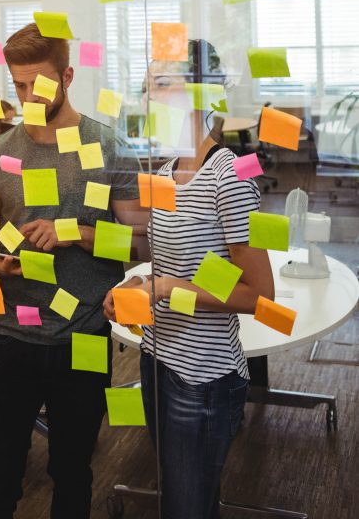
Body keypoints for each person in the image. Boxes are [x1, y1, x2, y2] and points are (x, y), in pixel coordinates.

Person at [0, 22, 139, 519]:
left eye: (38, 84)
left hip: (83, 333)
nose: (28, 97)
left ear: (67, 76)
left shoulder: (109, 147)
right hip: (8, 336)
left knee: (73, 474)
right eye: (18, 86)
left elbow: (140, 243)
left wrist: (76, 233)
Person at [104, 39, 274, 519]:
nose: (148, 97)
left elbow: (259, 295)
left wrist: (166, 289)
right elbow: (167, 264)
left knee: (187, 507)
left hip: (204, 378)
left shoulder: (230, 175)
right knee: (184, 501)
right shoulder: (165, 172)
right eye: (146, 86)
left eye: (161, 83)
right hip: (157, 360)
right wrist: (136, 287)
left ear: (201, 92)